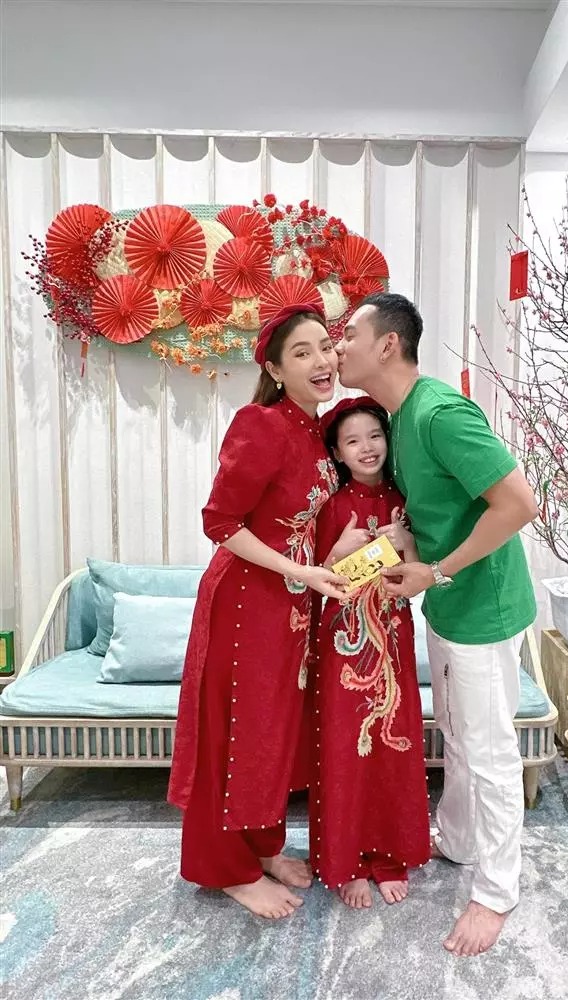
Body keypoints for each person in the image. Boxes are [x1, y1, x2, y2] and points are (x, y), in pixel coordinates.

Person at [336, 292, 539, 957]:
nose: (339, 347)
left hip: (482, 608)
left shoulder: (441, 413)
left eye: (349, 335)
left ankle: (497, 892)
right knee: (456, 734)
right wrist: (401, 546)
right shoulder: (400, 421)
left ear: (386, 345)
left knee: (489, 751)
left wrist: (438, 571)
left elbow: (519, 504)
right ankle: (458, 840)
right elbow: (437, 514)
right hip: (449, 606)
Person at [168, 280, 349, 921]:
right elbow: (219, 521)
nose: (321, 361)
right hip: (244, 604)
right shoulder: (261, 424)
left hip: (292, 606)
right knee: (234, 731)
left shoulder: (321, 431)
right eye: (301, 353)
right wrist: (297, 569)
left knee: (272, 729)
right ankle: (228, 870)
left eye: (325, 346)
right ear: (273, 370)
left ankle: (264, 847)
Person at [308, 397, 431, 909]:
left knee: (393, 743)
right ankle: (349, 861)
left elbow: (417, 577)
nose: (366, 447)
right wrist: (340, 551)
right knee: (345, 749)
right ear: (337, 452)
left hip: (393, 641)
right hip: (343, 646)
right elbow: (314, 582)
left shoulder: (405, 501)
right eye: (353, 440)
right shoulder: (330, 506)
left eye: (374, 436)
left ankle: (389, 856)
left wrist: (406, 541)